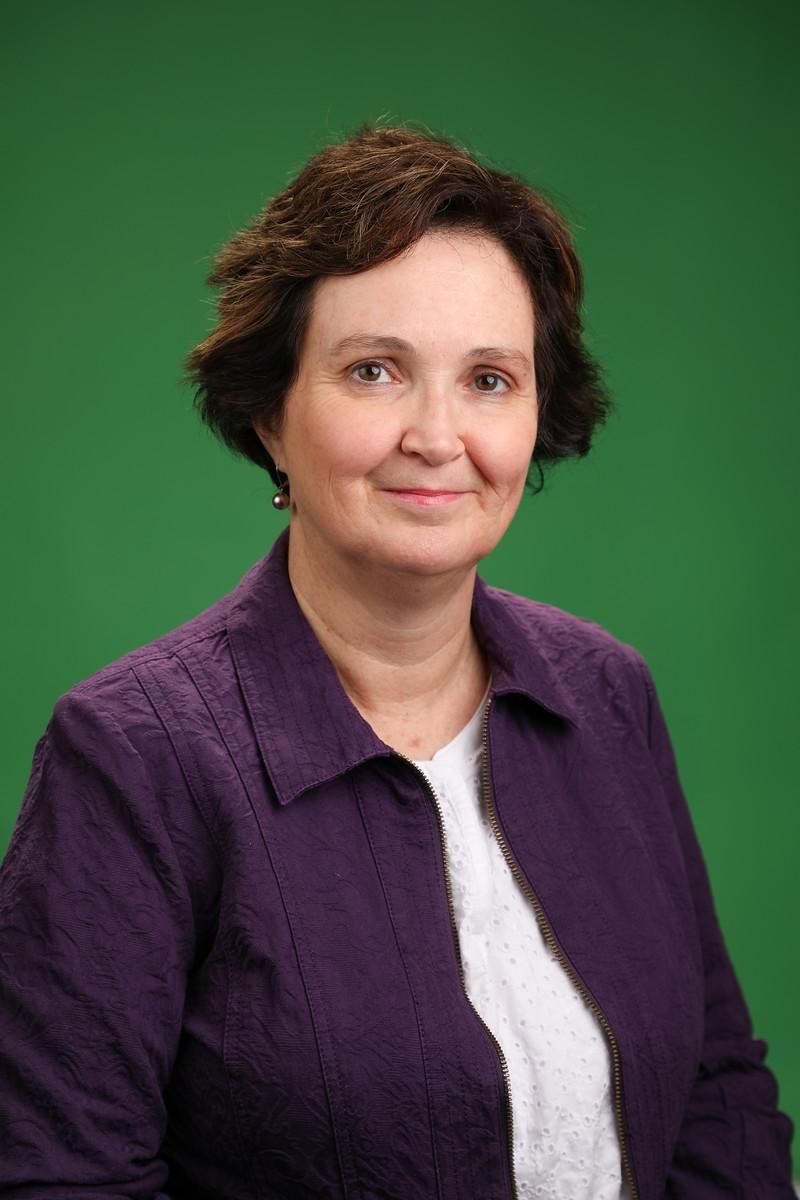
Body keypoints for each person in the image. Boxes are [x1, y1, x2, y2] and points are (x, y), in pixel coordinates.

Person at [0, 123, 794, 1199]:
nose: (437, 435)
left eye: (489, 379)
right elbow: (62, 1179)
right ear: (269, 414)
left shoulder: (607, 695)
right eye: (374, 371)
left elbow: (716, 1097)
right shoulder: (132, 759)